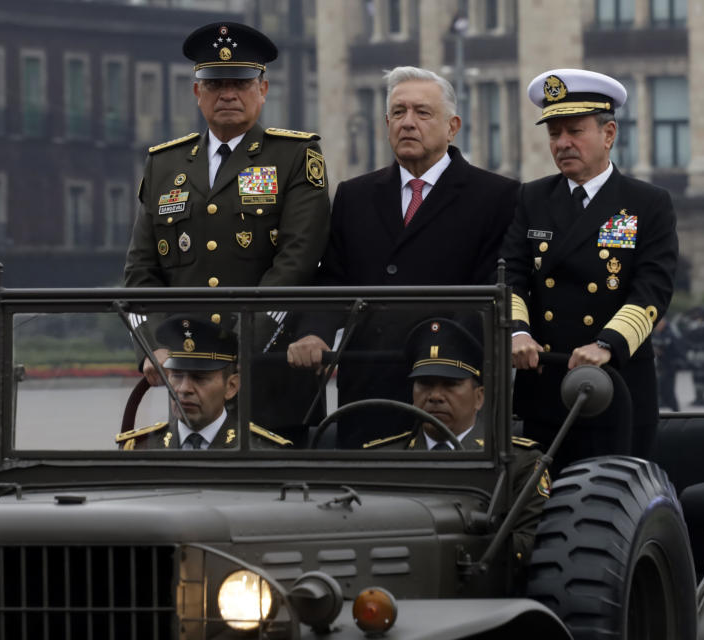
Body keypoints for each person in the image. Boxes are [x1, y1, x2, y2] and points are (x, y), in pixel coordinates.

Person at [287, 65, 519, 447]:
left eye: (422, 113)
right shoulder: (355, 195)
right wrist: (314, 332)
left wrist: (437, 355)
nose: (408, 123)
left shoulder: (495, 196)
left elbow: (491, 292)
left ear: (452, 126)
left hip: (445, 388)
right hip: (367, 390)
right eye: (398, 113)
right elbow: (332, 278)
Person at [123, 21, 330, 433]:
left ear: (263, 89)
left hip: (271, 371)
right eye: (216, 84)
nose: (228, 94)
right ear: (197, 92)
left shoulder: (294, 156)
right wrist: (157, 346)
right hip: (189, 379)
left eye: (241, 82)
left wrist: (238, 348)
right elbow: (139, 273)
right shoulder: (165, 164)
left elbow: (298, 260)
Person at [504, 68, 678, 471]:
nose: (562, 143)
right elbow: (511, 274)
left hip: (615, 385)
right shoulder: (532, 197)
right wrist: (517, 331)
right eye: (554, 134)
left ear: (609, 134)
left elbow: (653, 288)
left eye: (574, 131)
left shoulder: (646, 202)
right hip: (543, 381)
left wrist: (606, 344)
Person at [363, 318, 550, 560]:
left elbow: (533, 543)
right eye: (425, 384)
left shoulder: (518, 463)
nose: (435, 396)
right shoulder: (382, 459)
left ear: (479, 397)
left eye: (451, 385)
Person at [116, 315, 292, 450]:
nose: (184, 389)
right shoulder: (141, 448)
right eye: (176, 376)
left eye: (199, 378)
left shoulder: (260, 450)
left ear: (231, 386)